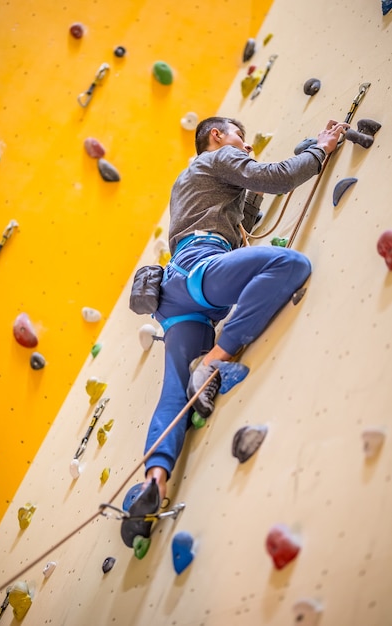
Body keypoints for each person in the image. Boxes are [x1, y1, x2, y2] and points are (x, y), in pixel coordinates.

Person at [120, 116, 348, 548]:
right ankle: (212, 362)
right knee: (291, 265)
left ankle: (155, 483)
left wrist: (257, 184)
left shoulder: (196, 182)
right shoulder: (214, 158)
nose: (244, 147)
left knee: (175, 395)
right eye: (239, 138)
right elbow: (277, 178)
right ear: (217, 137)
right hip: (201, 269)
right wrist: (320, 148)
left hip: (178, 297)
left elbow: (247, 211)